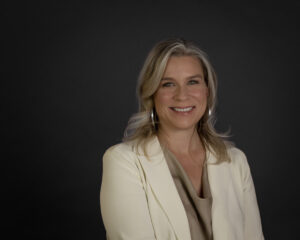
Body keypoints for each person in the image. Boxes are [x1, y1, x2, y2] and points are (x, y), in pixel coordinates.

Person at [100, 38, 264, 240]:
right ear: (151, 94)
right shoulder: (123, 161)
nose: (182, 95)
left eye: (193, 82)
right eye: (168, 84)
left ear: (207, 91)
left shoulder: (236, 161)